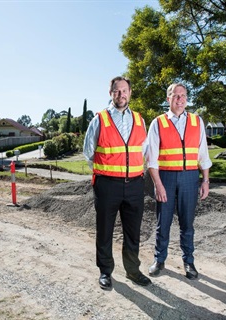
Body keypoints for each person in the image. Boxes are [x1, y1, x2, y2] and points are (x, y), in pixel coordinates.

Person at [83, 76, 151, 290]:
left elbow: (144, 151)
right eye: (116, 91)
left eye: (124, 91)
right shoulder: (99, 120)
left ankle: (132, 270)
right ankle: (105, 271)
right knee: (105, 230)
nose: (121, 95)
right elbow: (88, 152)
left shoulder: (140, 120)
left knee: (133, 231)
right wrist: (108, 171)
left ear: (130, 93)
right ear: (110, 93)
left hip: (134, 185)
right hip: (107, 185)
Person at [146, 83, 212, 279]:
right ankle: (159, 260)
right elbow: (152, 159)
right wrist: (158, 184)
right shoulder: (158, 123)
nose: (180, 99)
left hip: (190, 178)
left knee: (187, 224)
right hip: (165, 178)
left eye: (183, 95)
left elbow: (203, 154)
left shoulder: (196, 121)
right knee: (163, 222)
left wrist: (205, 180)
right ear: (169, 99)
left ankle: (189, 262)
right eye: (176, 96)